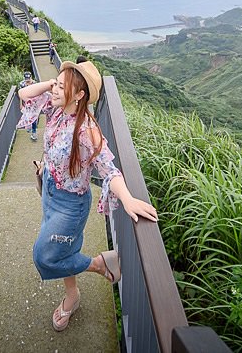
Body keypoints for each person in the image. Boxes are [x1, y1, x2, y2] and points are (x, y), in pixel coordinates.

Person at [17, 57, 158, 332]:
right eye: (55, 84)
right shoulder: (55, 108)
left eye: (62, 87)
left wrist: (127, 199)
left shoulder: (86, 130)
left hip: (71, 206)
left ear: (80, 95)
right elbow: (23, 93)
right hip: (50, 192)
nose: (54, 91)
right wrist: (54, 84)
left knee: (44, 255)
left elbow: (109, 169)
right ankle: (72, 296)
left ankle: (98, 264)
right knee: (64, 249)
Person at [17, 71, 38, 141]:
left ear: (31, 77)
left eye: (28, 79)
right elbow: (20, 95)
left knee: (33, 117)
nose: (27, 80)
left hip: (33, 103)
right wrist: (20, 104)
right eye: (26, 79)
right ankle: (29, 126)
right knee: (27, 115)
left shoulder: (35, 83)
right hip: (25, 103)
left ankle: (34, 132)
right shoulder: (22, 84)